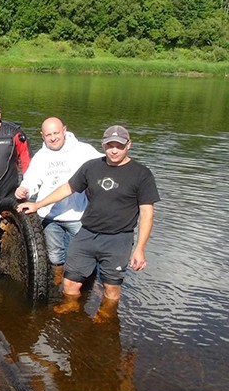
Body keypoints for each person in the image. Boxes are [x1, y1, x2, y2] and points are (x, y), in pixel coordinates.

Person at [17, 125, 160, 319]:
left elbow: (147, 213)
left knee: (111, 287)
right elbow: (67, 188)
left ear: (129, 145)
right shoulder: (92, 167)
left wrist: (140, 249)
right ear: (103, 145)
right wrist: (38, 204)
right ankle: (72, 308)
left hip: (118, 239)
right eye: (110, 145)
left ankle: (106, 315)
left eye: (119, 145)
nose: (114, 150)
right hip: (87, 234)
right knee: (70, 283)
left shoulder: (141, 174)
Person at [15, 117, 102, 284]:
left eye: (56, 133)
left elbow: (105, 165)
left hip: (77, 215)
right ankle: (57, 282)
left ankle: (90, 285)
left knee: (85, 254)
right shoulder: (41, 156)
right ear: (42, 135)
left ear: (64, 130)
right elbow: (31, 180)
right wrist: (24, 189)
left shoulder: (83, 150)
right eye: (48, 135)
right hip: (50, 216)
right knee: (54, 256)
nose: (53, 138)